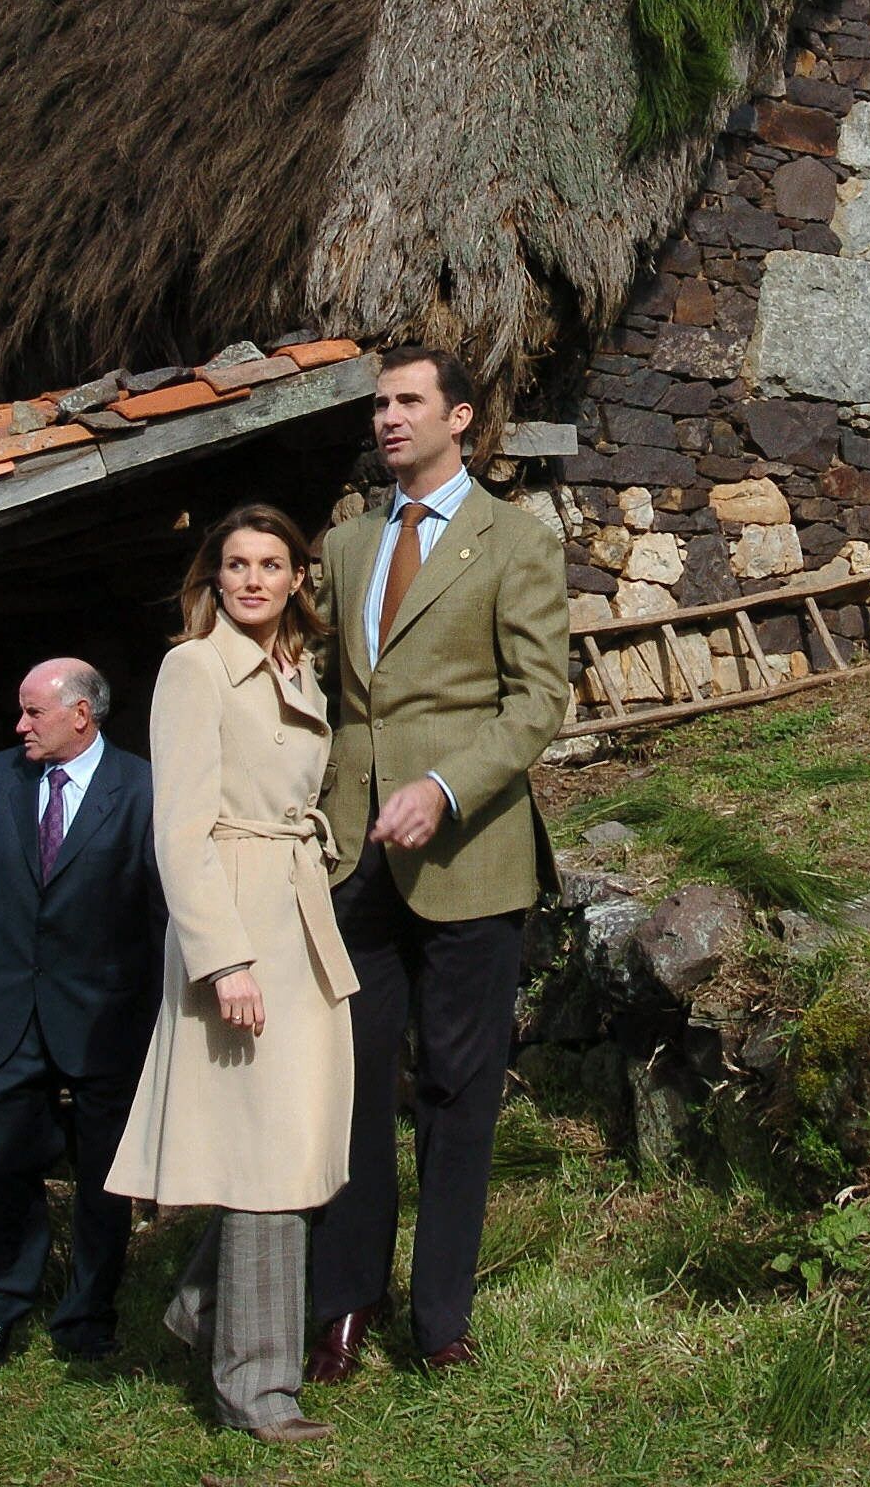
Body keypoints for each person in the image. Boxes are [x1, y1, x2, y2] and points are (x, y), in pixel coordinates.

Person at [307, 344, 569, 1382]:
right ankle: (342, 1303)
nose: (387, 417)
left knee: (458, 1093)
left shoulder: (514, 543)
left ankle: (440, 1317)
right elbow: (318, 690)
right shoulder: (342, 545)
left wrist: (446, 786)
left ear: (461, 418)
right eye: (378, 403)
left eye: (408, 401)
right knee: (353, 1089)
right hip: (348, 856)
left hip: (469, 854)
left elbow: (536, 700)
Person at [107, 506, 357, 1446]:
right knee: (264, 1163)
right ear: (213, 579)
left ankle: (201, 1308)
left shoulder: (298, 669)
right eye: (235, 566)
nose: (252, 580)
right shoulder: (195, 667)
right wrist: (223, 959)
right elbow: (178, 829)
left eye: (271, 565)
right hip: (241, 922)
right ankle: (259, 1391)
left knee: (291, 1142)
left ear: (298, 577)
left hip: (298, 910)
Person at [0, 659, 163, 1370]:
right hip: (10, 1009)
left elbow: (160, 909)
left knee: (104, 1171)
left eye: (33, 712)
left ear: (82, 714)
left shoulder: (142, 788)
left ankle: (87, 1315)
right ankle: (0, 1307)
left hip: (106, 1014)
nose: (20, 726)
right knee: (0, 1164)